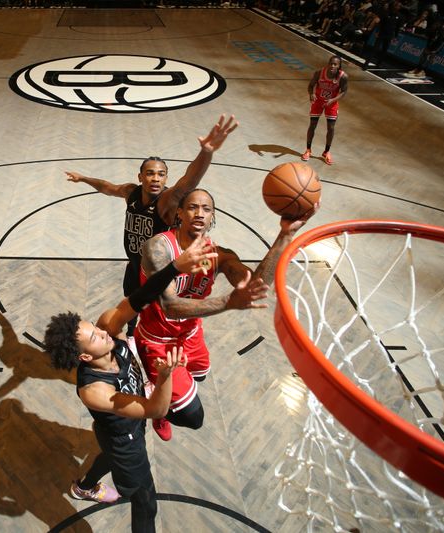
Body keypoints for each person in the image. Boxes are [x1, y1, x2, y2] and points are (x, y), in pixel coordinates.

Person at [43, 236, 218, 533]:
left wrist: (175, 266)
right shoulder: (94, 391)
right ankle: (88, 487)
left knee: (106, 450)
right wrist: (162, 378)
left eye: (95, 327)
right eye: (95, 336)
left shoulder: (109, 330)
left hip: (119, 429)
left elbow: (140, 297)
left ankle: (84, 487)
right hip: (126, 442)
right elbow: (154, 409)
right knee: (145, 501)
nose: (102, 331)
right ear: (85, 356)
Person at [136, 188, 318, 441]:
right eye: (192, 207)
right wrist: (228, 302)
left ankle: (165, 392)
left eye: (206, 209)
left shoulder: (220, 255)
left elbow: (255, 284)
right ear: (179, 212)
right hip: (157, 339)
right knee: (192, 417)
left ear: (213, 217)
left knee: (200, 375)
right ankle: (157, 405)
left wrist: (285, 234)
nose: (200, 213)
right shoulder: (158, 248)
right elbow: (170, 306)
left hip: (190, 334)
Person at [65, 114, 238, 335]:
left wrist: (207, 152)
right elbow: (107, 187)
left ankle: (160, 338)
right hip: (134, 263)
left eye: (161, 174)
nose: (156, 178)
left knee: (153, 309)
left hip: (158, 269)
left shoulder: (166, 202)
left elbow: (189, 182)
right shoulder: (131, 192)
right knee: (129, 304)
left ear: (166, 179)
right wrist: (83, 178)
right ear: (140, 177)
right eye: (150, 173)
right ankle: (129, 335)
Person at [301, 55, 348, 165]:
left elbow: (344, 91)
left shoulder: (343, 76)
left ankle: (326, 152)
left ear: (339, 66)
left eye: (335, 64)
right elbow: (310, 85)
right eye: (331, 63)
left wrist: (333, 100)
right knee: (312, 124)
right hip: (318, 101)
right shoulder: (319, 72)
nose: (332, 65)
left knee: (331, 128)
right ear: (328, 63)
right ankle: (308, 150)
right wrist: (311, 93)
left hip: (331, 103)